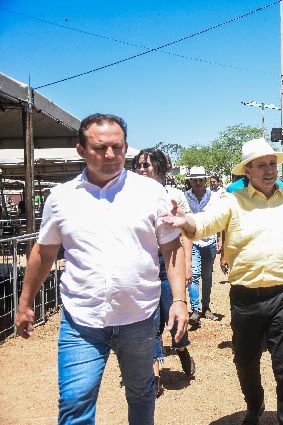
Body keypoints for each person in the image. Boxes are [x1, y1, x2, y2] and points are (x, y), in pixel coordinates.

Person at [15, 113, 188, 425]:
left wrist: (179, 299)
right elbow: (44, 251)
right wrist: (25, 303)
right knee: (74, 402)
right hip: (81, 321)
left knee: (141, 392)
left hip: (139, 317)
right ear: (81, 150)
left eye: (117, 147)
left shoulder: (151, 193)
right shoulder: (61, 198)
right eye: (99, 148)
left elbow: (171, 247)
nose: (110, 155)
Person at [163, 138, 283, 425]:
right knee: (245, 362)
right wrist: (185, 221)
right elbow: (205, 223)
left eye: (273, 163)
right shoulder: (232, 201)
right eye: (261, 165)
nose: (270, 170)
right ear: (247, 171)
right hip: (245, 298)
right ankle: (255, 405)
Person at [132, 148, 196, 397]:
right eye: (138, 165)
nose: (141, 170)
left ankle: (181, 348)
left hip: (169, 260)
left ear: (159, 168)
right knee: (150, 322)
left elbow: (186, 233)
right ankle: (155, 375)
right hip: (144, 265)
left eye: (146, 165)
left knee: (175, 315)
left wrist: (187, 263)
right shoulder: (130, 196)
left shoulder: (174, 196)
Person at [185, 166, 221, 326]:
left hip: (210, 241)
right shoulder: (184, 197)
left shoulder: (214, 197)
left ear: (205, 180)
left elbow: (219, 219)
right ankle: (195, 310)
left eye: (201, 180)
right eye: (195, 180)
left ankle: (206, 306)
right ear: (190, 181)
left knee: (207, 276)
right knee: (194, 274)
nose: (198, 183)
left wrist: (220, 240)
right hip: (192, 242)